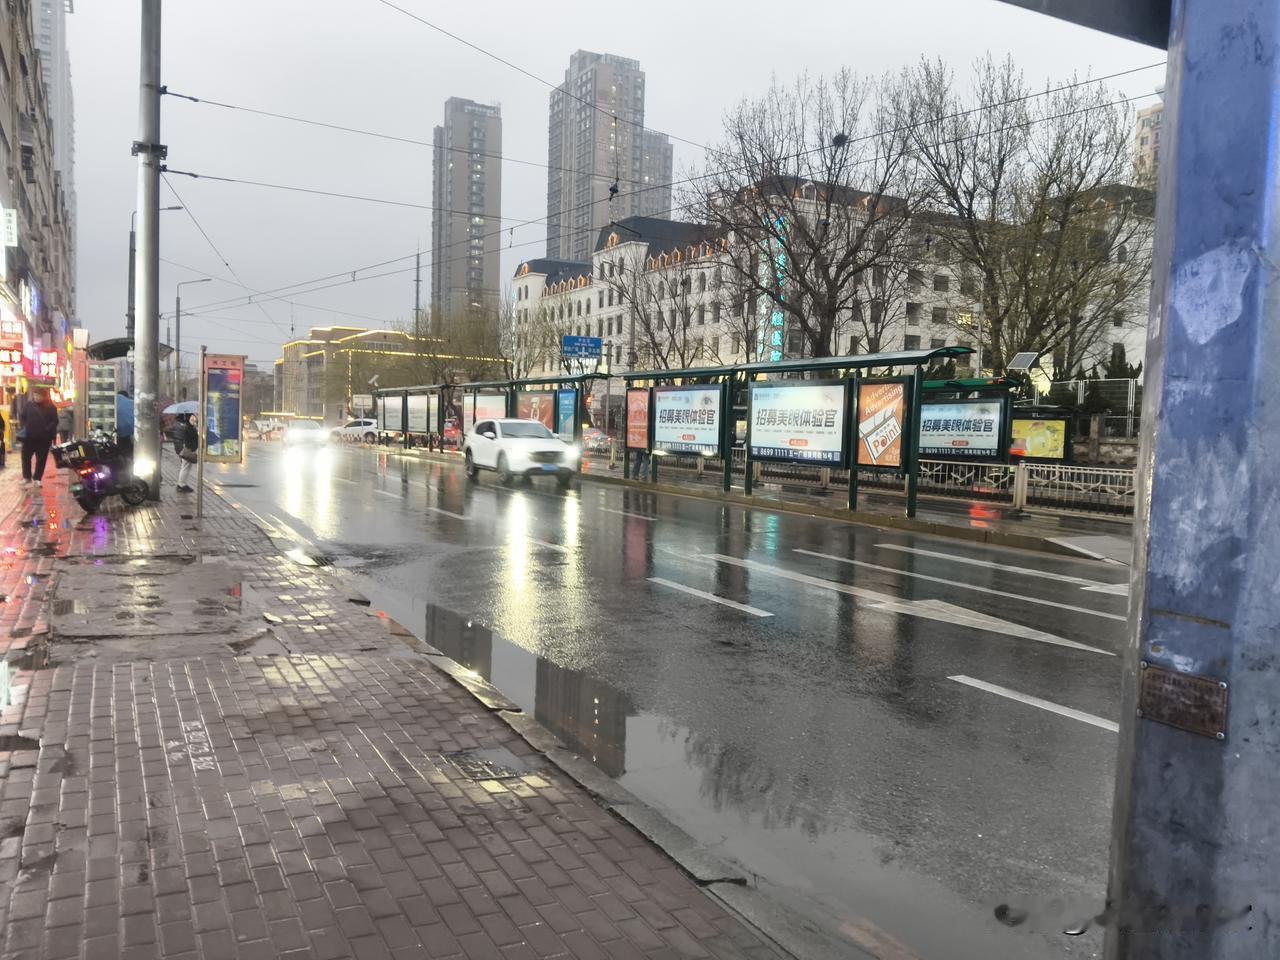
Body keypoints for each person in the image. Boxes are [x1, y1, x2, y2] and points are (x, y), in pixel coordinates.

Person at [19, 387, 59, 485]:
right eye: (35, 395)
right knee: (25, 457)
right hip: (29, 437)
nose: (36, 397)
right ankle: (27, 477)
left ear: (44, 397)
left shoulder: (51, 407)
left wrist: (47, 429)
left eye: (39, 396)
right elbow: (22, 416)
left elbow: (55, 421)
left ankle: (37, 478)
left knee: (41, 459)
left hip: (43, 439)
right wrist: (25, 427)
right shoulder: (29, 405)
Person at [175, 413, 198, 493]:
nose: (194, 419)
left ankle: (181, 483)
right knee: (185, 467)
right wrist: (195, 429)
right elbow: (192, 437)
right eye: (192, 417)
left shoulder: (186, 426)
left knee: (185, 467)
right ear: (188, 418)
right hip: (188, 449)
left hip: (186, 449)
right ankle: (181, 485)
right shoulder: (188, 427)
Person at [115, 391, 135, 459]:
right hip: (126, 433)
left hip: (112, 433)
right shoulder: (131, 403)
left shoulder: (113, 400)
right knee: (126, 451)